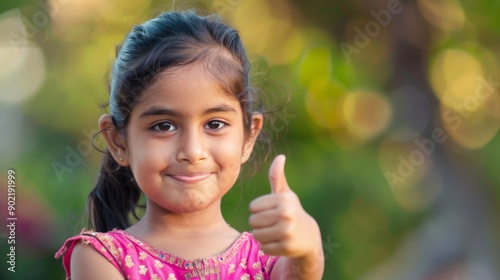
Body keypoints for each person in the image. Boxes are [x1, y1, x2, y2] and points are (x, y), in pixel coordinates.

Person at [55, 10, 324, 280]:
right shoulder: (100, 258)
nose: (193, 152)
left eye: (215, 124)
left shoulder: (270, 262)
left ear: (248, 137)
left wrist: (308, 252)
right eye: (164, 126)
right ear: (119, 142)